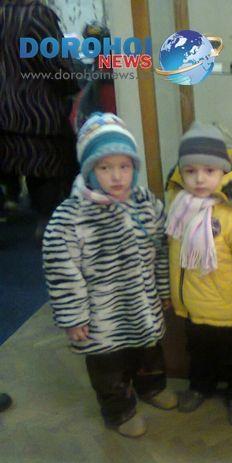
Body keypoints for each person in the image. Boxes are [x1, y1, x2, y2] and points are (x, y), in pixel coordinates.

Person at [42, 113, 176, 438]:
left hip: (143, 305)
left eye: (124, 166)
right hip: (102, 316)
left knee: (149, 351)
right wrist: (74, 317)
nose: (117, 176)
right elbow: (62, 271)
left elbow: (162, 250)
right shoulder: (70, 218)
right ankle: (119, 410)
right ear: (90, 170)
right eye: (105, 167)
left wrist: (163, 290)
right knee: (109, 367)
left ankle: (152, 386)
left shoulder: (146, 204)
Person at [165, 122, 232, 426]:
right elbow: (173, 256)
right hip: (192, 306)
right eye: (190, 171)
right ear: (181, 172)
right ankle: (200, 385)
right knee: (198, 353)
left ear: (224, 171)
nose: (199, 179)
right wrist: (173, 295)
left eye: (209, 170)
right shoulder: (180, 206)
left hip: (228, 309)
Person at [1, 0, 80, 239]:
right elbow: (56, 63)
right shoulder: (36, 15)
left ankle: (11, 200)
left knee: (12, 162)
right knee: (48, 169)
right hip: (37, 112)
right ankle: (49, 227)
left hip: (5, 111)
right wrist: (73, 88)